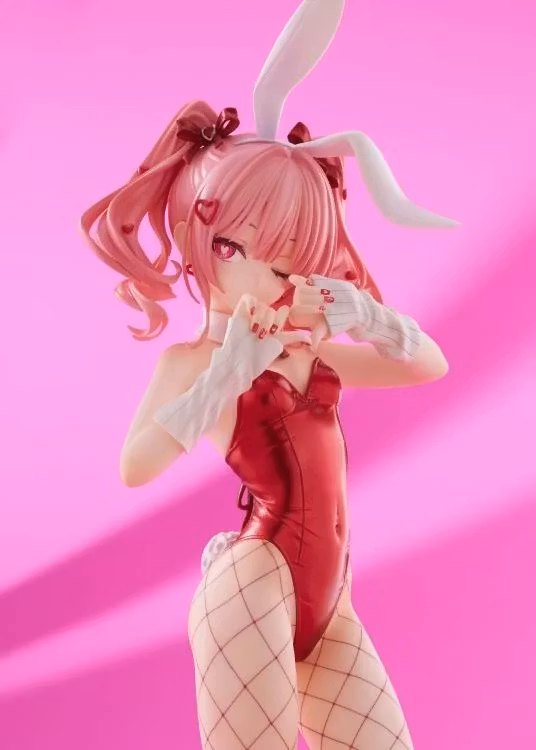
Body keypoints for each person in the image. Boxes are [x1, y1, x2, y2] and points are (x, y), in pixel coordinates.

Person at [80, 2, 457, 747]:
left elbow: (428, 367)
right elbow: (135, 466)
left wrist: (369, 316)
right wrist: (226, 374)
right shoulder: (193, 362)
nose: (284, 270)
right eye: (260, 249)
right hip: (253, 589)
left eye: (296, 254)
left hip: (332, 600)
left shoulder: (306, 348)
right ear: (207, 242)